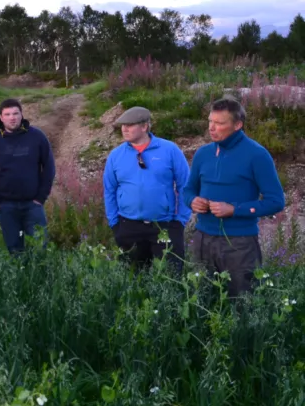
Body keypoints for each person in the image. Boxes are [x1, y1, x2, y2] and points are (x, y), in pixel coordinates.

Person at [183, 96, 285, 296]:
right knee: (201, 299)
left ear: (238, 125)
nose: (211, 128)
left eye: (219, 123)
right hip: (202, 238)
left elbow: (276, 201)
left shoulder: (257, 155)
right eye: (210, 121)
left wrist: (234, 210)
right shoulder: (203, 154)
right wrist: (192, 201)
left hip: (239, 243)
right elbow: (188, 190)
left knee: (242, 302)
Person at [103, 106, 191, 272]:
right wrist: (114, 223)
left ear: (144, 126)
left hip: (164, 226)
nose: (124, 129)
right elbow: (109, 190)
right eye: (122, 125)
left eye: (130, 125)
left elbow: (186, 186)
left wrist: (180, 222)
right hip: (128, 227)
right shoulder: (116, 155)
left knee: (169, 279)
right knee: (132, 280)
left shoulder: (170, 150)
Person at [0, 98, 56, 254]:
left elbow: (49, 167)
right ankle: (20, 278)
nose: (12, 117)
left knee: (39, 249)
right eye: (7, 114)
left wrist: (40, 198)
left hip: (33, 205)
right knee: (15, 251)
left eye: (15, 113)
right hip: (6, 207)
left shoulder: (37, 137)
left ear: (22, 115)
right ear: (1, 117)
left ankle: (38, 277)